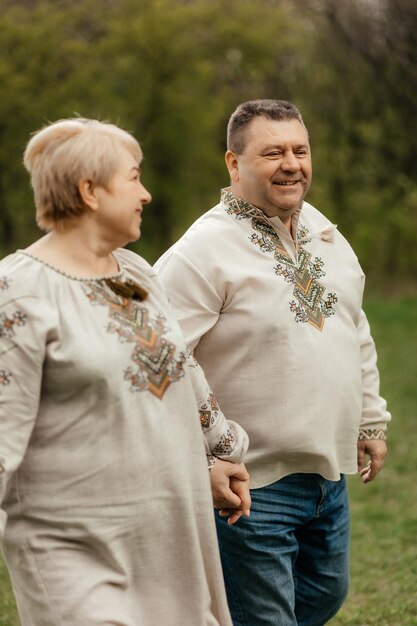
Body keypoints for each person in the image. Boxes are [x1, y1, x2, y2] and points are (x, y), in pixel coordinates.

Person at [0, 118, 250, 626]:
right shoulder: (18, 292)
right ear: (89, 191)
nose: (147, 194)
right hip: (72, 548)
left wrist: (220, 454)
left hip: (166, 536)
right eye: (133, 178)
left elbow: (178, 369)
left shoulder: (138, 274)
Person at [155, 99, 391, 626]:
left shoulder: (325, 234)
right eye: (273, 152)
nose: (292, 164)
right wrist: (208, 456)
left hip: (327, 476)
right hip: (250, 484)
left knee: (325, 594)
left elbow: (354, 328)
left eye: (300, 151)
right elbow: (160, 359)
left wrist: (370, 417)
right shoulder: (201, 252)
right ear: (234, 164)